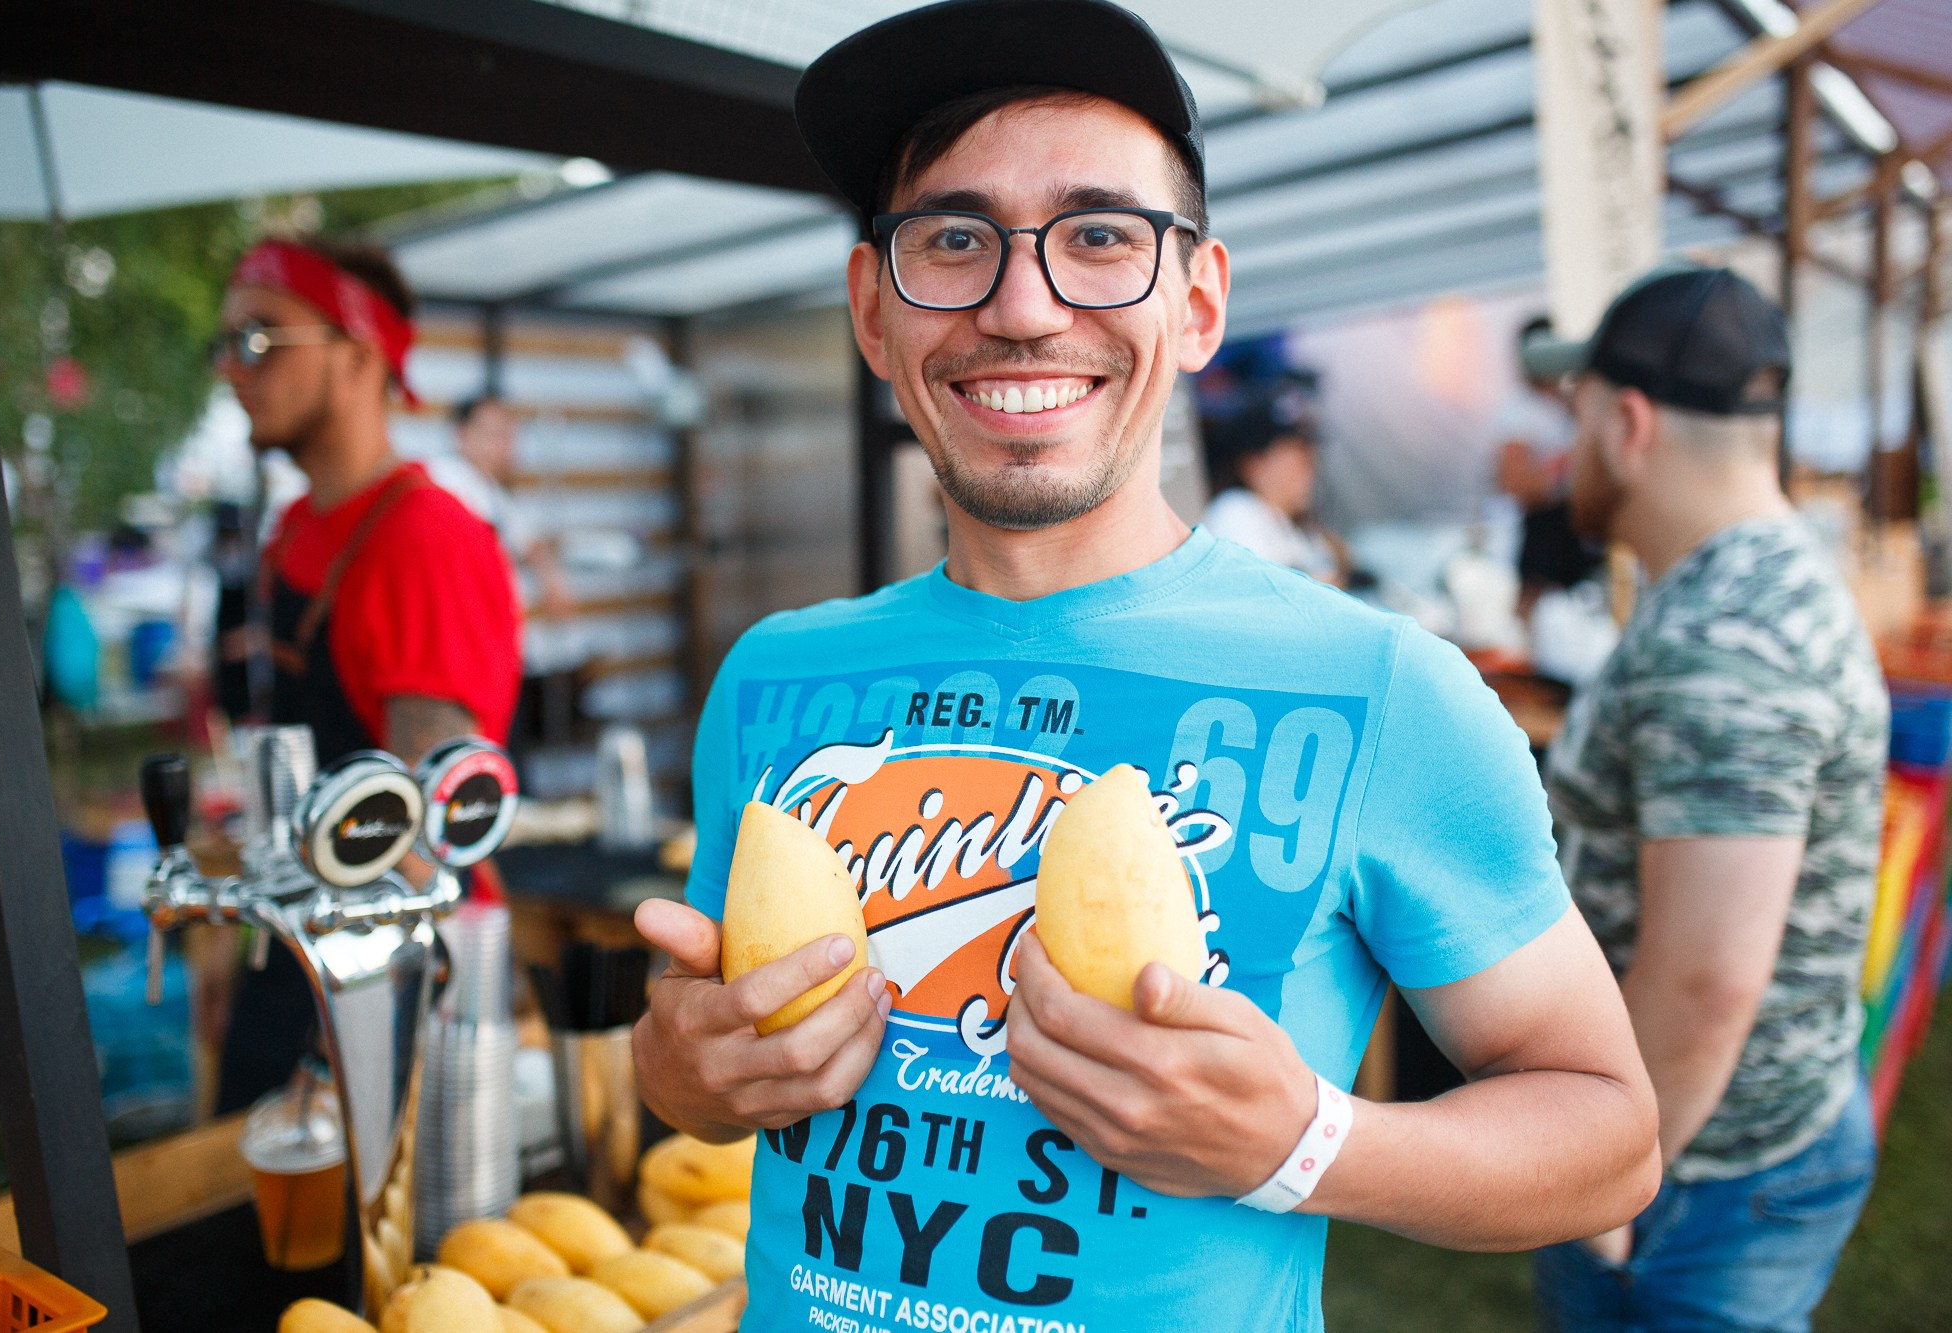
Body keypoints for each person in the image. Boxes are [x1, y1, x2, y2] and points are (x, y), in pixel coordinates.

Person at [631, 3, 1658, 1326]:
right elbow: (704, 1046)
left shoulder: (1383, 688)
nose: (1021, 305)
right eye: (953, 239)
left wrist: (1302, 1143)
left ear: (1198, 302)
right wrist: (679, 1072)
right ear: (872, 313)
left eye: (1101, 237)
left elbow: (1610, 1137)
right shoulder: (771, 679)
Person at [1531, 267, 1888, 1331]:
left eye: (1578, 407)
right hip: (1732, 1141)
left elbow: (1704, 978)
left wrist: (1614, 1174)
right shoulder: (1755, 583)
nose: (1567, 440)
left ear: (1627, 421)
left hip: (1699, 1178)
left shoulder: (1723, 640)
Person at [202, 236, 522, 1112]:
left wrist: (340, 1056)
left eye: (262, 339)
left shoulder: (422, 538)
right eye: (225, 345)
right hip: (293, 945)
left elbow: (437, 833)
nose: (233, 369)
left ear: (356, 357)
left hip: (382, 979)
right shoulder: (293, 528)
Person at [430, 394, 575, 622]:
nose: (506, 443)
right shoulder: (443, 481)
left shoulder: (489, 489)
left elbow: (527, 541)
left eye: (509, 433)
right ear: (462, 434)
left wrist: (551, 579)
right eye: (495, 434)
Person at [1496, 316, 1604, 615]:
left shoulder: (1566, 400)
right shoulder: (1518, 412)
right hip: (1545, 529)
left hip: (1578, 530)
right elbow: (1515, 485)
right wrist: (1564, 471)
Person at [1200, 389, 1349, 584]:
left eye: (1310, 456)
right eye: (1296, 457)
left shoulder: (1294, 524)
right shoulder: (1235, 512)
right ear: (1254, 464)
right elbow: (1252, 595)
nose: (1309, 468)